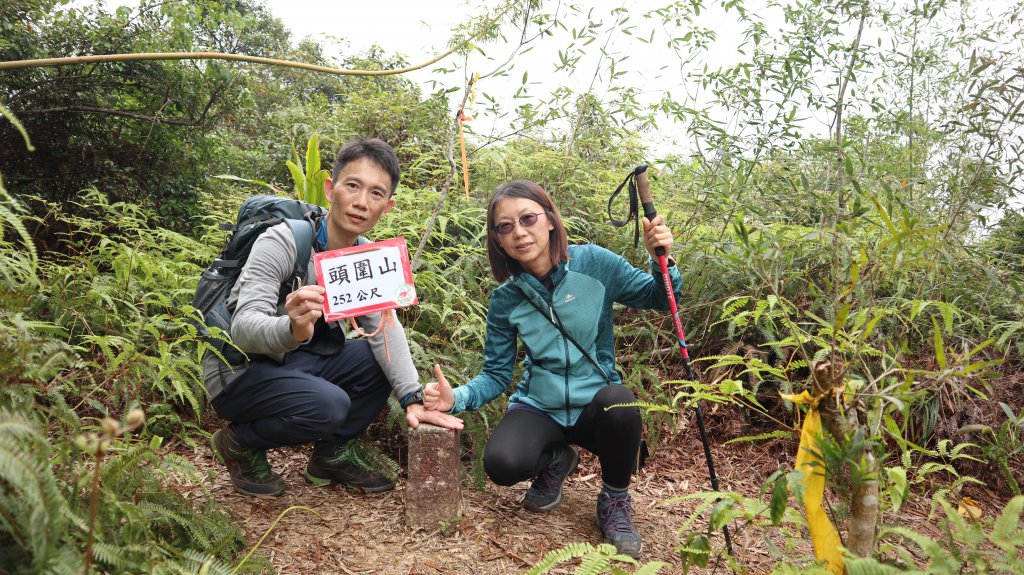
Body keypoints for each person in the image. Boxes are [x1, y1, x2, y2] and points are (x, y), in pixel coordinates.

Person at [424, 179, 681, 558]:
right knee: (501, 464)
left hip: (595, 402)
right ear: (497, 239)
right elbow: (496, 374)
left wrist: (662, 258)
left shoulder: (594, 264)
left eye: (527, 218)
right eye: (505, 226)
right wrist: (454, 398)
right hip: (539, 406)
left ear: (549, 219)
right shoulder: (506, 299)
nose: (519, 232)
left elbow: (660, 298)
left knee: (620, 402)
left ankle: (614, 500)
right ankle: (558, 459)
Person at [205, 137, 463, 498]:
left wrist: (412, 397)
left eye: (376, 194)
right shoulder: (283, 241)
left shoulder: (366, 259)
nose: (361, 202)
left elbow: (386, 331)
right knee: (330, 404)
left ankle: (330, 455)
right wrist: (291, 327)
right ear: (331, 188)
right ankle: (239, 443)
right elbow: (243, 329)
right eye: (352, 186)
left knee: (379, 359)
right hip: (239, 369)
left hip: (296, 363)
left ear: (386, 208)